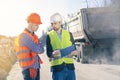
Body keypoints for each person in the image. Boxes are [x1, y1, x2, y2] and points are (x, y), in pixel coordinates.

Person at [46, 13, 78, 80]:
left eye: (55, 23)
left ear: (60, 22)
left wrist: (60, 53)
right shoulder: (49, 35)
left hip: (70, 68)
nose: (53, 25)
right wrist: (68, 52)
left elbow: (75, 51)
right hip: (57, 70)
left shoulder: (69, 34)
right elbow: (49, 54)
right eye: (51, 24)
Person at [15, 13, 44, 80]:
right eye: (36, 24)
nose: (38, 27)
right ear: (30, 24)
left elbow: (42, 50)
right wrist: (39, 46)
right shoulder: (24, 36)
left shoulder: (35, 36)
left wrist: (39, 47)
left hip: (36, 68)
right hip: (28, 70)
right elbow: (37, 49)